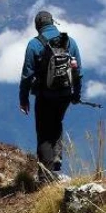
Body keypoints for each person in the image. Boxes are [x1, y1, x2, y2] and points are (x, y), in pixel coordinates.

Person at [19, 11, 83, 181]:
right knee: (56, 123)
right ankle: (56, 160)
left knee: (43, 131)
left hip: (44, 95)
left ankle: (45, 175)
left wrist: (23, 99)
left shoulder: (34, 45)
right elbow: (78, 72)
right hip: (65, 95)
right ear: (53, 23)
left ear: (37, 26)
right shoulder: (69, 42)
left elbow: (27, 75)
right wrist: (76, 95)